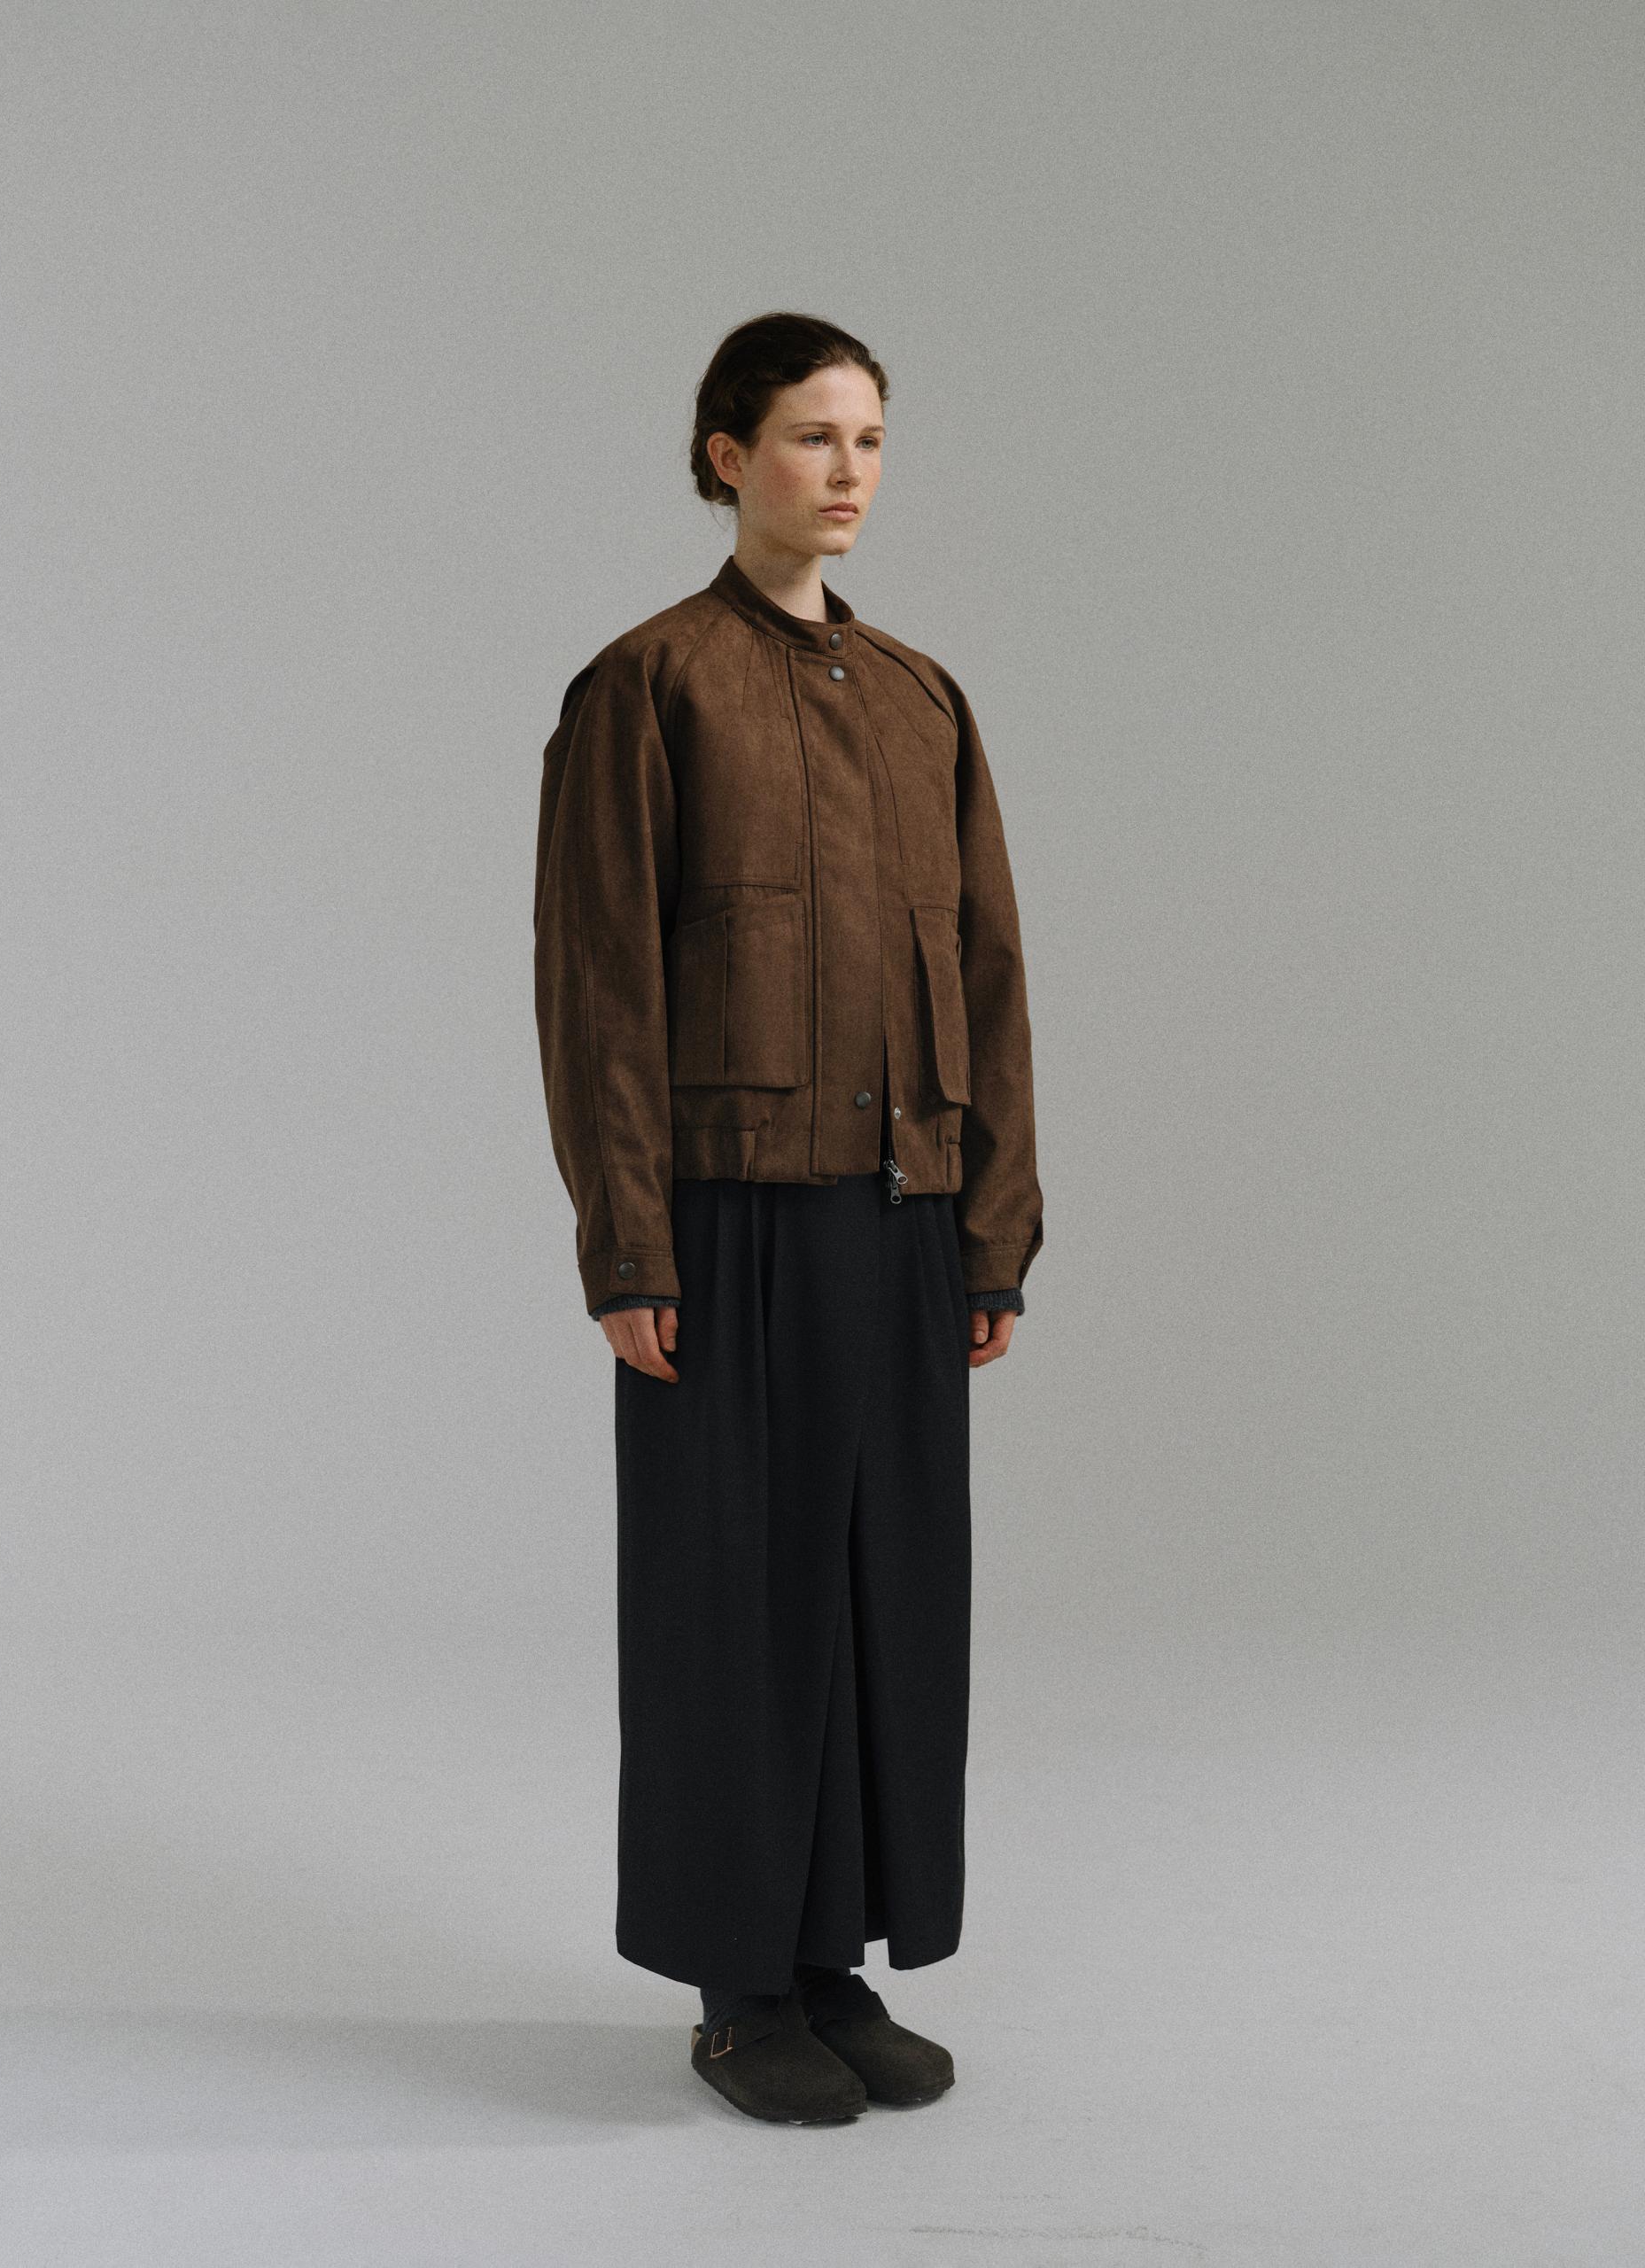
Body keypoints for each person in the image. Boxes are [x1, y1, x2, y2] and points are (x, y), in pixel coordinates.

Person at [532, 311, 1044, 2124]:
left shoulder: (921, 700)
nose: (847, 472)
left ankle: (834, 1962)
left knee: (880, 1600)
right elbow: (601, 989)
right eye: (813, 436)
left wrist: (994, 1229)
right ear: (726, 455)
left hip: (903, 1216)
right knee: (731, 1603)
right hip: (728, 1222)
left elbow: (990, 974)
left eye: (871, 439)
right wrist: (630, 1246)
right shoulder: (648, 687)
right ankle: (740, 1986)